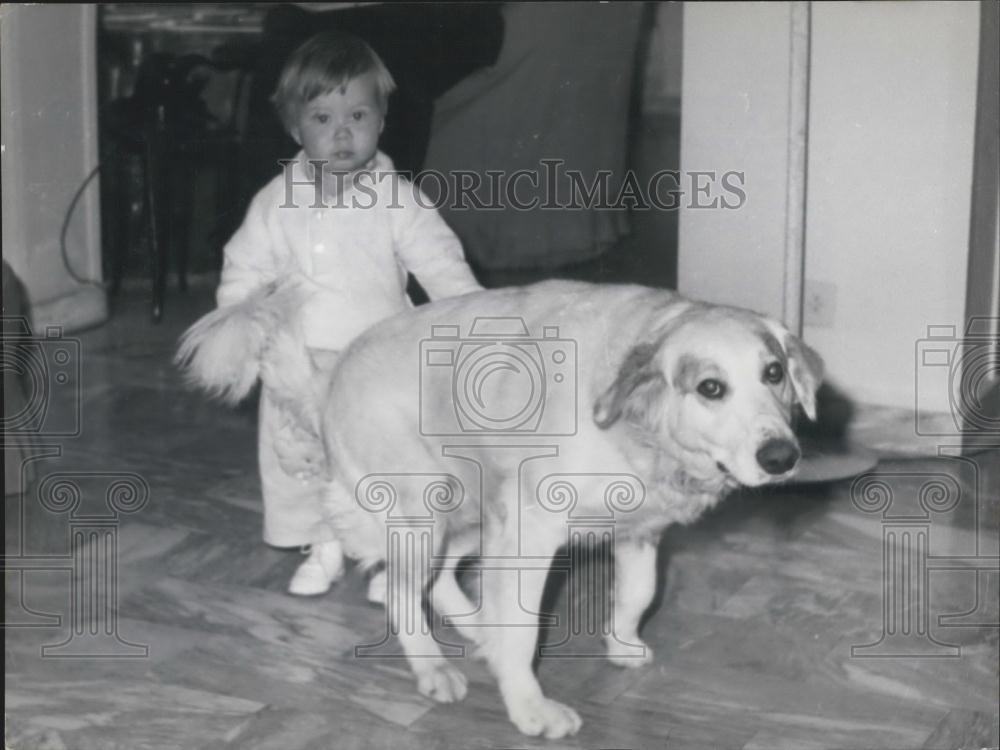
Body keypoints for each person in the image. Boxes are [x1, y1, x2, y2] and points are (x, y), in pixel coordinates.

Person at [214, 30, 482, 598]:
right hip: (299, 365)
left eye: (358, 114)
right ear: (294, 127)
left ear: (382, 121)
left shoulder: (399, 200)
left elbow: (442, 265)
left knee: (380, 463)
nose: (342, 132)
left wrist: (472, 322)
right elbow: (243, 268)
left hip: (375, 367)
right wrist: (242, 326)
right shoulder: (274, 203)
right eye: (322, 118)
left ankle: (390, 559)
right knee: (304, 462)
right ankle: (325, 546)